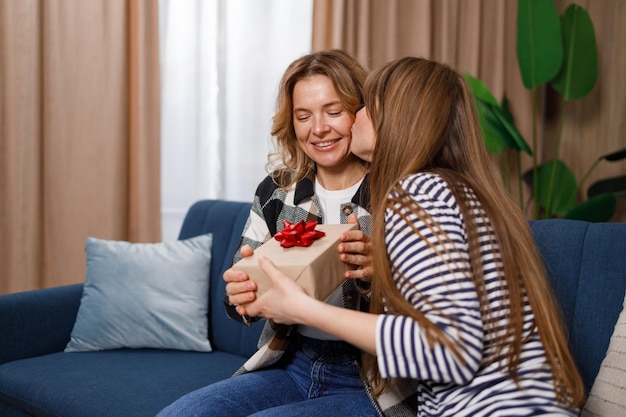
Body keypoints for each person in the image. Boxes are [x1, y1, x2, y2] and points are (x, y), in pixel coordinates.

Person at [243, 57, 586, 416]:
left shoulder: (417, 193)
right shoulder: (454, 190)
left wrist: (303, 308)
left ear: (395, 120)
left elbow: (449, 351)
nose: (352, 117)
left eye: (362, 108)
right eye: (304, 115)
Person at [156, 49, 383, 416]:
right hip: (291, 363)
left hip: (372, 380)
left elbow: (429, 318)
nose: (319, 128)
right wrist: (241, 294)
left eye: (334, 111)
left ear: (361, 113)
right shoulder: (277, 192)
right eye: (303, 116)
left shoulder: (397, 191)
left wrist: (379, 272)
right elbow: (237, 298)